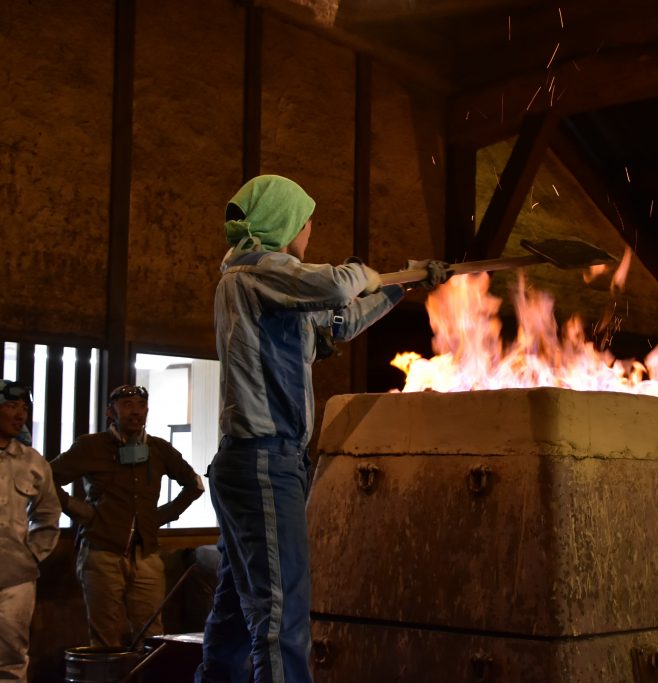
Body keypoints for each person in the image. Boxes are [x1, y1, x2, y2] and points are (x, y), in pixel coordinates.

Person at [196, 174, 448, 683]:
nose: (309, 235)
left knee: (234, 616)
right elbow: (337, 284)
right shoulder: (255, 270)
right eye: (307, 225)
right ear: (286, 225)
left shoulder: (277, 290)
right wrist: (368, 271)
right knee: (280, 618)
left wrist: (406, 283)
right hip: (264, 461)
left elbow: (343, 319)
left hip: (257, 462)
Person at [50, 384, 204, 649]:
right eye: (127, 406)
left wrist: (161, 516)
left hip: (146, 553)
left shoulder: (158, 449)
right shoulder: (91, 446)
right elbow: (46, 478)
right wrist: (81, 511)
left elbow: (194, 485)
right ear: (112, 411)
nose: (136, 412)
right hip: (101, 552)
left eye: (141, 406)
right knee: (104, 636)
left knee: (152, 635)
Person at [0, 380, 60, 682]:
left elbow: (48, 514)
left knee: (12, 659)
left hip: (15, 578)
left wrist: (32, 556)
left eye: (24, 408)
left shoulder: (33, 461)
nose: (19, 414)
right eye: (11, 406)